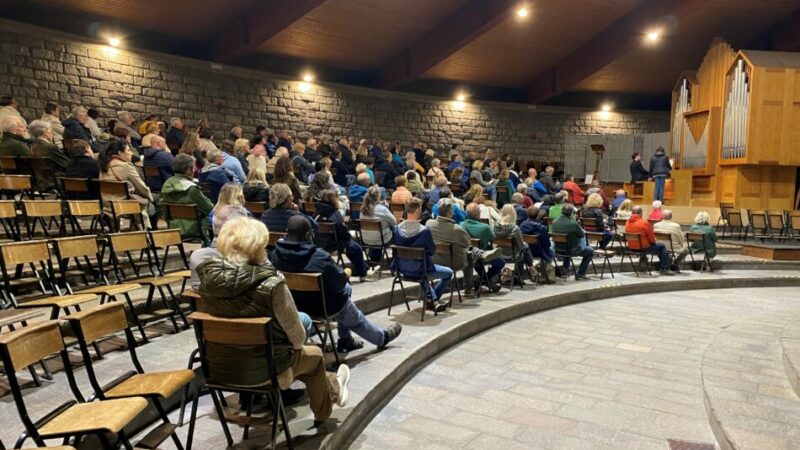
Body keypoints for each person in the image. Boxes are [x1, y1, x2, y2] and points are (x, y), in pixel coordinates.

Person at [196, 216, 350, 425]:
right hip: (265, 370)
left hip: (219, 369)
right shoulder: (272, 284)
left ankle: (333, 383)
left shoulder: (207, 281)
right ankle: (324, 410)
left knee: (296, 353)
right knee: (314, 356)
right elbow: (297, 338)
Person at [271, 215, 401, 353]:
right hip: (323, 306)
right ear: (309, 235)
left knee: (347, 289)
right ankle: (381, 338)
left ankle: (345, 339)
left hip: (294, 304)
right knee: (354, 315)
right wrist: (347, 272)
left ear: (287, 232)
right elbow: (339, 282)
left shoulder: (275, 255)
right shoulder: (319, 257)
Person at [429, 199, 501, 297]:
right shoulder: (456, 229)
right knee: (469, 255)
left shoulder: (429, 224)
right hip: (453, 261)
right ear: (450, 212)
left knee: (465, 250)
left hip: (435, 259)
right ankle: (468, 289)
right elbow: (467, 243)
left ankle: (481, 254)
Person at [392, 197, 453, 311]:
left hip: (402, 270)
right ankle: (433, 300)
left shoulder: (396, 229)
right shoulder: (424, 231)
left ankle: (432, 298)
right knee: (449, 273)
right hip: (421, 271)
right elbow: (432, 251)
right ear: (417, 211)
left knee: (421, 267)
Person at [314, 190, 375, 282]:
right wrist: (348, 238)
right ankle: (363, 272)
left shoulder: (317, 211)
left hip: (318, 242)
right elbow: (342, 232)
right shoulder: (334, 213)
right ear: (334, 200)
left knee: (352, 246)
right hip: (332, 244)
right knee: (355, 248)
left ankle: (365, 269)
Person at [99, 139, 157, 229]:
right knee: (153, 203)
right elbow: (142, 187)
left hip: (106, 205)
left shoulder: (104, 165)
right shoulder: (126, 166)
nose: (132, 153)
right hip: (124, 206)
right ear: (120, 153)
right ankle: (150, 234)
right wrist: (150, 198)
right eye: (128, 150)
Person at [160, 154, 214, 242]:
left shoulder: (166, 184)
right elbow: (209, 209)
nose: (195, 169)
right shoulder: (191, 189)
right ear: (188, 170)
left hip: (173, 228)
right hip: (195, 229)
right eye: (193, 167)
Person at [460, 203, 504, 291]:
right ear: (478, 214)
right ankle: (486, 280)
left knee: (478, 262)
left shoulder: (461, 225)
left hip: (468, 254)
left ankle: (483, 280)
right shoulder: (485, 227)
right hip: (482, 255)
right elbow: (493, 237)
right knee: (501, 261)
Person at [625, 205, 674, 275]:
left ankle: (643, 260)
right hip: (642, 248)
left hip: (630, 247)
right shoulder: (644, 222)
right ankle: (664, 268)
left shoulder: (627, 222)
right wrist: (653, 242)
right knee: (662, 246)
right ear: (641, 213)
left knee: (643, 243)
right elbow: (651, 237)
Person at [551, 204, 594, 281]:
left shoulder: (554, 221)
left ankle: (565, 267)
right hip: (571, 250)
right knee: (590, 251)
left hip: (558, 249)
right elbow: (581, 235)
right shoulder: (573, 223)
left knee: (567, 243)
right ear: (571, 213)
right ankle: (580, 273)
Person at [494, 204, 534, 285]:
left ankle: (530, 268)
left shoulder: (495, 226)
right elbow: (521, 246)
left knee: (524, 248)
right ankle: (521, 275)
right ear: (513, 213)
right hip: (512, 255)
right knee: (523, 251)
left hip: (499, 253)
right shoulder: (515, 228)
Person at [29, 119, 69, 191]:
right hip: (54, 180)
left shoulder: (32, 146)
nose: (52, 133)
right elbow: (67, 164)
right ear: (45, 132)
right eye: (50, 130)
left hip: (41, 181)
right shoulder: (50, 147)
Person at [359, 185, 396, 262]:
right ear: (379, 196)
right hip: (381, 240)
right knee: (396, 230)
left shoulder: (363, 209)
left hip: (365, 239)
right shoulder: (382, 209)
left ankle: (375, 258)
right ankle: (395, 260)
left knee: (380, 230)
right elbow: (394, 222)